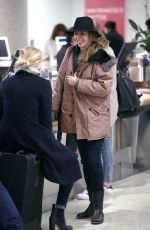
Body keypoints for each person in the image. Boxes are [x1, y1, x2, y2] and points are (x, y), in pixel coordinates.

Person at [0, 47, 81, 230]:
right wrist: (48, 144)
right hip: (30, 136)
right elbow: (45, 121)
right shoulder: (42, 84)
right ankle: (58, 214)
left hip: (6, 138)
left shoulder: (7, 83)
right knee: (70, 159)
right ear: (37, 62)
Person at [52, 16, 116, 225]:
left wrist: (79, 83)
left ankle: (98, 207)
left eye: (82, 33)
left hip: (95, 116)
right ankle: (92, 205)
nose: (78, 37)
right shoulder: (70, 53)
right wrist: (54, 108)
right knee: (86, 163)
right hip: (75, 117)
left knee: (92, 161)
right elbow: (60, 81)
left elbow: (104, 88)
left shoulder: (103, 56)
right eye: (76, 33)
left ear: (91, 35)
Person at [77, 30, 118, 200]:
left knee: (101, 146)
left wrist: (78, 82)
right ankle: (105, 182)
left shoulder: (103, 54)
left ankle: (102, 183)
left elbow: (101, 85)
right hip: (102, 106)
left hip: (101, 106)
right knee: (104, 143)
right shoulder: (107, 51)